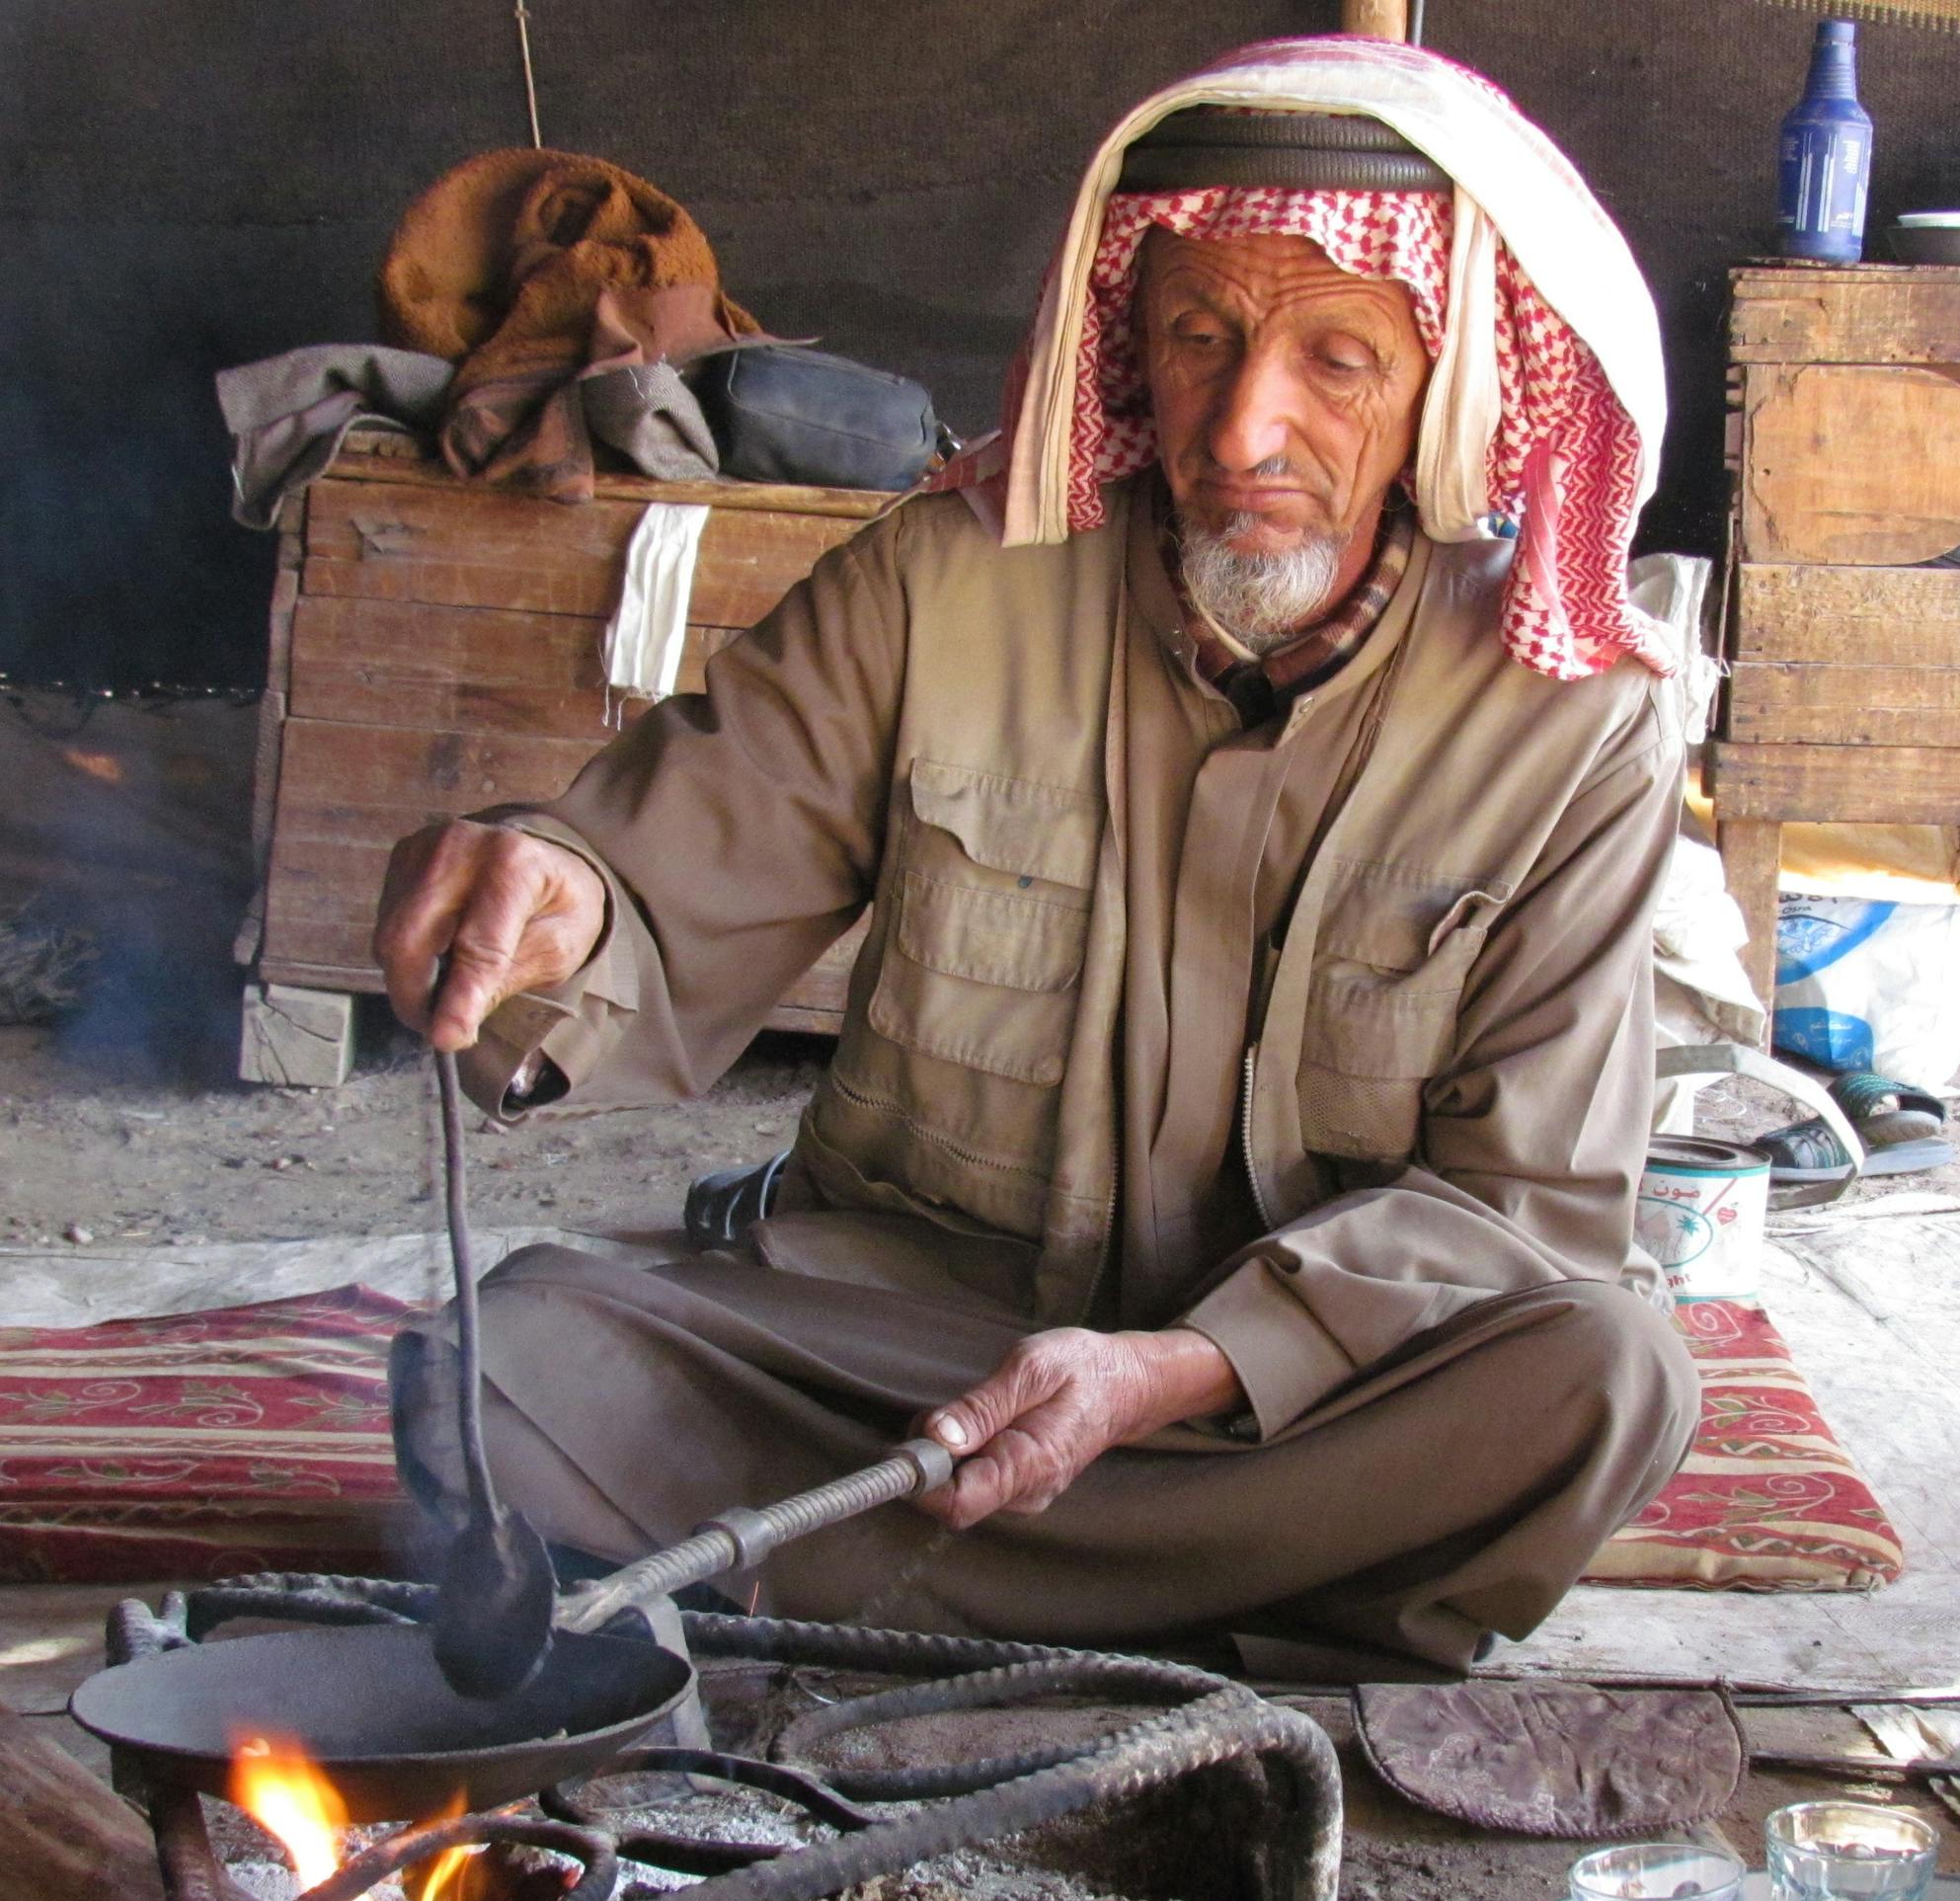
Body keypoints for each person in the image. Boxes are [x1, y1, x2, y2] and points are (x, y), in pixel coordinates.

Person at [376, 37, 1700, 1678]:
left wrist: (1178, 1369)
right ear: (1129, 348)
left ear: (1454, 385)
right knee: (503, 1363)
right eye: (1199, 340)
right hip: (919, 1355)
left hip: (1283, 1396)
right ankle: (1233, 1612)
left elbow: (1524, 1213)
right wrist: (549, 890)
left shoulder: (1568, 724)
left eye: (1337, 360)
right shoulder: (950, 586)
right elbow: (659, 876)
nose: (1243, 427)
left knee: (1604, 1376)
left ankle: (859, 1593)